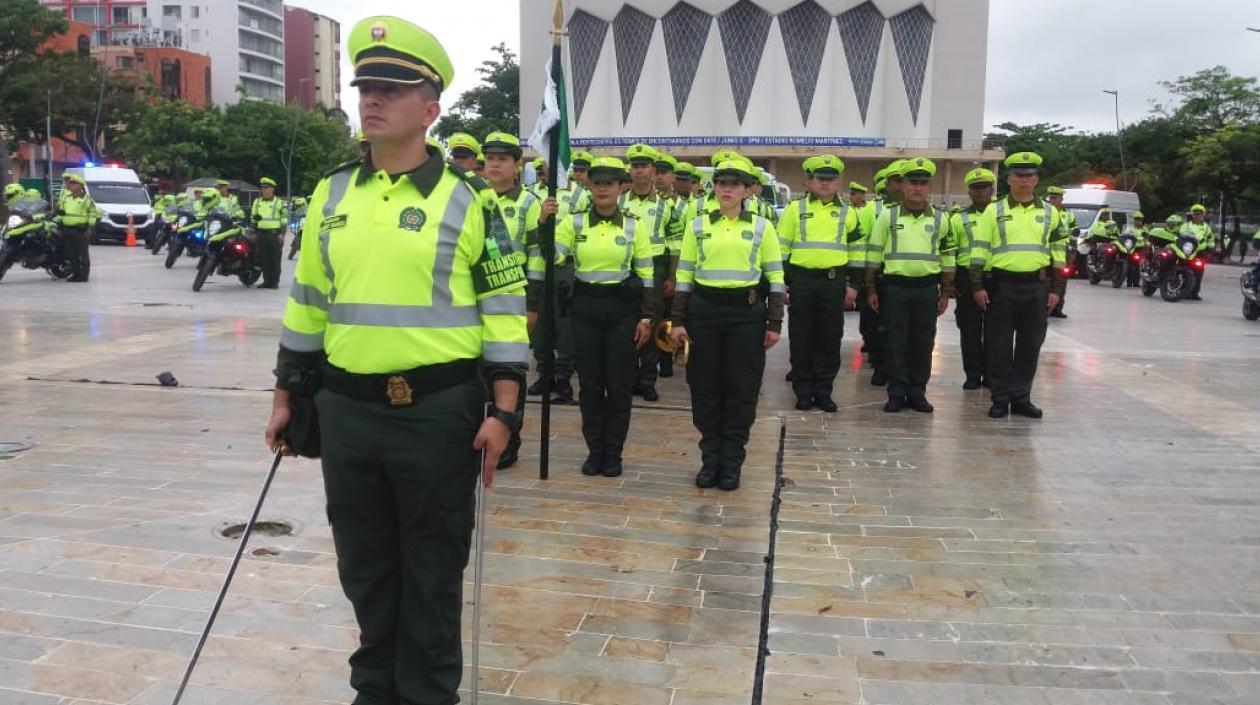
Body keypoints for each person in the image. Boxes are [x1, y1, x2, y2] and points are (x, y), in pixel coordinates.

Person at [263, 16, 527, 705]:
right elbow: (310, 301)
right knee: (366, 567)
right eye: (365, 87)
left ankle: (429, 693)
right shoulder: (332, 193)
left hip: (437, 415)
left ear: (430, 109)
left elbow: (503, 309)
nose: (371, 99)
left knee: (433, 570)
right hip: (348, 413)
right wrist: (288, 389)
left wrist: (505, 407)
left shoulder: (468, 202)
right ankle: (375, 689)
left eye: (391, 88)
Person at [531, 156, 653, 477]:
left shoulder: (633, 224)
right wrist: (545, 224)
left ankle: (613, 452)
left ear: (620, 187)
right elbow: (553, 256)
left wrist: (647, 318)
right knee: (589, 384)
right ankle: (594, 450)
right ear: (589, 185)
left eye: (609, 184)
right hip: (585, 310)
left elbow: (647, 274)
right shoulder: (573, 222)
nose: (603, 189)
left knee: (619, 384)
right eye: (597, 183)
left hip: (622, 313)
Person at [670, 159, 784, 490]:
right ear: (714, 188)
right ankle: (710, 460)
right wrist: (678, 319)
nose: (728, 190)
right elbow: (684, 275)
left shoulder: (763, 227)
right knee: (704, 388)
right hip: (704, 314)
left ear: (747, 190)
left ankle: (732, 463)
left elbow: (775, 278)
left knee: (741, 389)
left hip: (745, 317)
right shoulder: (698, 225)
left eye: (735, 184)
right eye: (722, 184)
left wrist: (774, 321)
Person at [969, 152, 1065, 419]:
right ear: (1009, 179)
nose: (1024, 180)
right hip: (1002, 286)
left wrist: (1057, 290)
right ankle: (1000, 398)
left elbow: (1058, 253)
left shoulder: (1050, 213)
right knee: (998, 345)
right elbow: (979, 250)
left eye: (1029, 176)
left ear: (1037, 179)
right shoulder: (993, 211)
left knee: (1030, 344)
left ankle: (1022, 397)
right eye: (1019, 176)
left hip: (1037, 288)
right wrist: (977, 286)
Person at [484, 130, 558, 468]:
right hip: (479, 301)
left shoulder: (528, 203)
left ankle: (509, 441)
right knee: (480, 372)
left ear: (517, 166)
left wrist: (532, 306)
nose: (494, 164)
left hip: (514, 300)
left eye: (502, 159)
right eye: (490, 158)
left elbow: (537, 257)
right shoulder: (475, 198)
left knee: (510, 369)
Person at [865, 158, 954, 413]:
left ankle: (917, 392)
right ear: (902, 186)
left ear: (929, 187)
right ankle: (896, 392)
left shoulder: (940, 219)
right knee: (895, 342)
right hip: (895, 289)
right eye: (912, 183)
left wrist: (945, 291)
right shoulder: (887, 217)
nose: (918, 188)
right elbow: (874, 254)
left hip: (926, 289)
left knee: (923, 342)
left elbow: (948, 257)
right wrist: (871, 288)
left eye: (923, 183)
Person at [778, 154, 861, 412]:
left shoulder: (848, 212)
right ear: (810, 182)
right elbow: (781, 249)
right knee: (802, 337)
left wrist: (854, 285)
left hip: (833, 283)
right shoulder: (795, 210)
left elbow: (858, 252)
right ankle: (803, 391)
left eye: (830, 179)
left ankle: (824, 391)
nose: (825, 184)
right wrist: (782, 282)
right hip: (802, 282)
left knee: (830, 337)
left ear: (839, 182)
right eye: (819, 179)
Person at [620, 143, 682, 402]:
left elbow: (675, 243)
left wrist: (672, 276)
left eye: (644, 166)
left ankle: (647, 380)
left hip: (655, 267)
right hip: (625, 266)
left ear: (653, 171)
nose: (639, 171)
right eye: (635, 166)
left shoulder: (667, 206)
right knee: (625, 322)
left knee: (653, 321)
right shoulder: (620, 200)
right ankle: (627, 379)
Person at [857, 160, 904, 387]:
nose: (900, 186)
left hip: (906, 278)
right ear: (887, 184)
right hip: (880, 275)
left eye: (904, 181)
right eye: (895, 181)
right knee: (879, 325)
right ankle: (880, 365)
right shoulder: (872, 210)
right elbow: (864, 243)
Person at [950, 167, 995, 389]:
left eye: (984, 187)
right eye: (976, 188)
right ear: (969, 192)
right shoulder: (958, 219)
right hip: (967, 279)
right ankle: (973, 374)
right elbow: (950, 251)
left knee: (996, 330)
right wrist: (950, 282)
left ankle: (991, 374)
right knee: (970, 329)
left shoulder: (1000, 215)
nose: (980, 192)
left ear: (992, 189)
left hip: (995, 277)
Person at [55, 173, 97, 282]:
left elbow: (92, 214)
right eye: (70, 183)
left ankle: (84, 275)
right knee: (71, 254)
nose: (70, 185)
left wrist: (90, 228)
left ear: (80, 185)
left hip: (80, 230)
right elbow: (61, 214)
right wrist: (58, 226)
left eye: (73, 183)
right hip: (67, 229)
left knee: (83, 254)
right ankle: (76, 274)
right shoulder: (66, 198)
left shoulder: (87, 200)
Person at [250, 177, 289, 289]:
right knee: (264, 259)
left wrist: (282, 234)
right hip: (261, 234)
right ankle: (266, 281)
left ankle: (275, 281)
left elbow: (284, 219)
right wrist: (253, 231)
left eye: (267, 188)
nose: (264, 190)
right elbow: (253, 218)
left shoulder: (279, 202)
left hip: (274, 235)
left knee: (275, 259)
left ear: (272, 189)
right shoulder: (257, 202)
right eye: (263, 188)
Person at [1045, 186, 1075, 318]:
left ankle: (1058, 307)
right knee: (1045, 278)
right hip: (1046, 250)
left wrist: (1073, 250)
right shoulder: (1044, 211)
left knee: (1062, 279)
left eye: (1055, 198)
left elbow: (1075, 232)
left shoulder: (1069, 214)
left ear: (1061, 199)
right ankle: (1044, 306)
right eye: (1050, 197)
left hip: (1064, 251)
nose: (1052, 200)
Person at [1182, 204, 1215, 300]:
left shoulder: (1206, 228)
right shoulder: (1186, 226)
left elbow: (1210, 240)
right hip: (1186, 251)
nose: (1197, 216)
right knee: (1182, 270)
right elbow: (1179, 236)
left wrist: (1211, 250)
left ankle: (1194, 293)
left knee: (1198, 273)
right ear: (1192, 215)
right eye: (1195, 214)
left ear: (1202, 215)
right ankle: (1181, 289)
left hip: (1200, 253)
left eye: (1199, 214)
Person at [1123, 211, 1150, 287]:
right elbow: (1125, 237)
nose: (1137, 221)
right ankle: (1129, 282)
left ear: (1142, 220)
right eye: (1136, 219)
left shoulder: (1145, 230)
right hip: (1131, 249)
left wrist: (1147, 247)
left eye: (1139, 219)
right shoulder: (1129, 229)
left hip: (1141, 249)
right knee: (1130, 266)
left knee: (1139, 266)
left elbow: (1147, 239)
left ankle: (1136, 283)